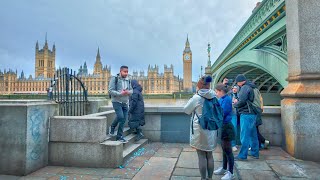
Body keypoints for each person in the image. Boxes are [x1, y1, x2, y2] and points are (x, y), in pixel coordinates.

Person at [184, 75, 218, 180]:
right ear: (209, 85)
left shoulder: (196, 98)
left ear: (199, 85)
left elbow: (186, 110)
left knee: (201, 155)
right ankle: (210, 178)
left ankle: (203, 178)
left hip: (200, 130)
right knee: (210, 155)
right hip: (212, 129)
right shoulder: (214, 96)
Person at [233, 74, 259, 160]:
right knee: (253, 134)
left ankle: (242, 155)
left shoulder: (245, 87)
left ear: (240, 82)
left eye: (237, 83)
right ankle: (255, 153)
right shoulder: (252, 86)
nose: (237, 85)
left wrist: (235, 104)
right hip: (253, 113)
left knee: (244, 136)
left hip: (246, 113)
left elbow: (242, 101)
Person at [214, 83, 235, 180]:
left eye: (217, 91)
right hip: (223, 126)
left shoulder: (226, 100)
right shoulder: (222, 99)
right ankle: (224, 168)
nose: (216, 93)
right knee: (224, 149)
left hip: (226, 127)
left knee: (228, 150)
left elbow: (222, 113)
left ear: (221, 91)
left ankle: (230, 173)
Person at [108, 66, 133, 143]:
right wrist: (120, 93)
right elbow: (110, 90)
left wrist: (128, 92)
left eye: (127, 72)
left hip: (125, 102)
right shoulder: (114, 78)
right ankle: (113, 128)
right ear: (120, 71)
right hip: (116, 101)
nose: (126, 73)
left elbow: (132, 90)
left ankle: (119, 136)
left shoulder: (128, 80)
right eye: (124, 72)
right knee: (121, 117)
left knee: (123, 119)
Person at [231, 85, 240, 152]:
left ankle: (237, 143)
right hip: (233, 114)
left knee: (238, 130)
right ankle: (233, 145)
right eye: (233, 88)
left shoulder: (240, 95)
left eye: (236, 88)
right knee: (233, 128)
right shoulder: (230, 95)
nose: (234, 89)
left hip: (239, 114)